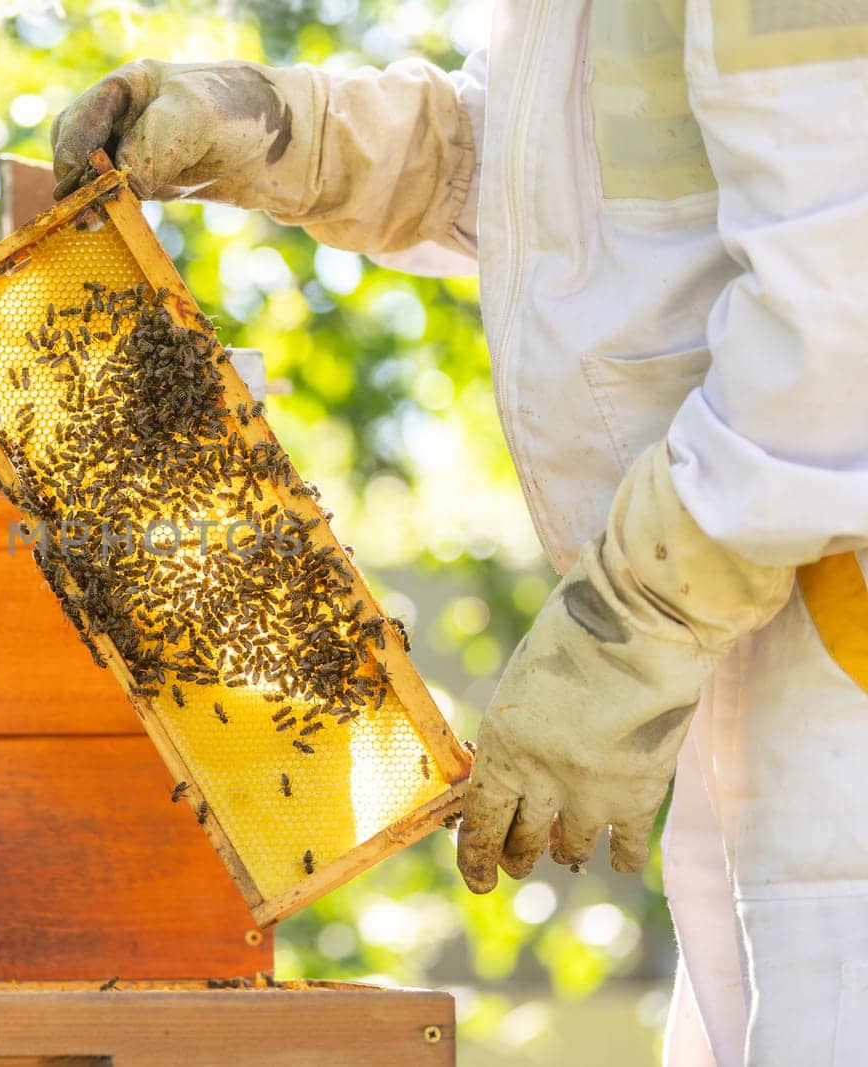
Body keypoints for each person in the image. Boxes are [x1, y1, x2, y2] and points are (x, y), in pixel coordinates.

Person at [51, 5, 868, 1063]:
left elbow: (843, 298)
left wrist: (646, 612)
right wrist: (286, 129)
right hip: (763, 635)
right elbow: (546, 168)